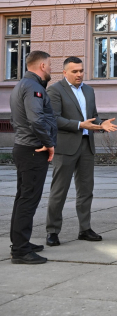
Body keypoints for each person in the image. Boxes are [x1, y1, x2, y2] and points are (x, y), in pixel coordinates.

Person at [45, 56, 117, 247]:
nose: (79, 74)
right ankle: (52, 231)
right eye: (74, 71)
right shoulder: (55, 90)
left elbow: (92, 117)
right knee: (59, 191)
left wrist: (102, 124)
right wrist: (79, 125)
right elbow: (54, 119)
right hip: (65, 147)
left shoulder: (89, 90)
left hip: (87, 146)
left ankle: (85, 229)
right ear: (64, 72)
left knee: (86, 190)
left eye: (81, 71)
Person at [9, 50, 57, 264]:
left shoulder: (21, 85)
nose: (51, 69)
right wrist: (49, 143)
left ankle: (20, 243)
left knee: (23, 197)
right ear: (42, 66)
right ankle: (20, 251)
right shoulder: (34, 87)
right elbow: (36, 119)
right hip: (33, 150)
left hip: (24, 147)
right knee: (28, 199)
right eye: (50, 65)